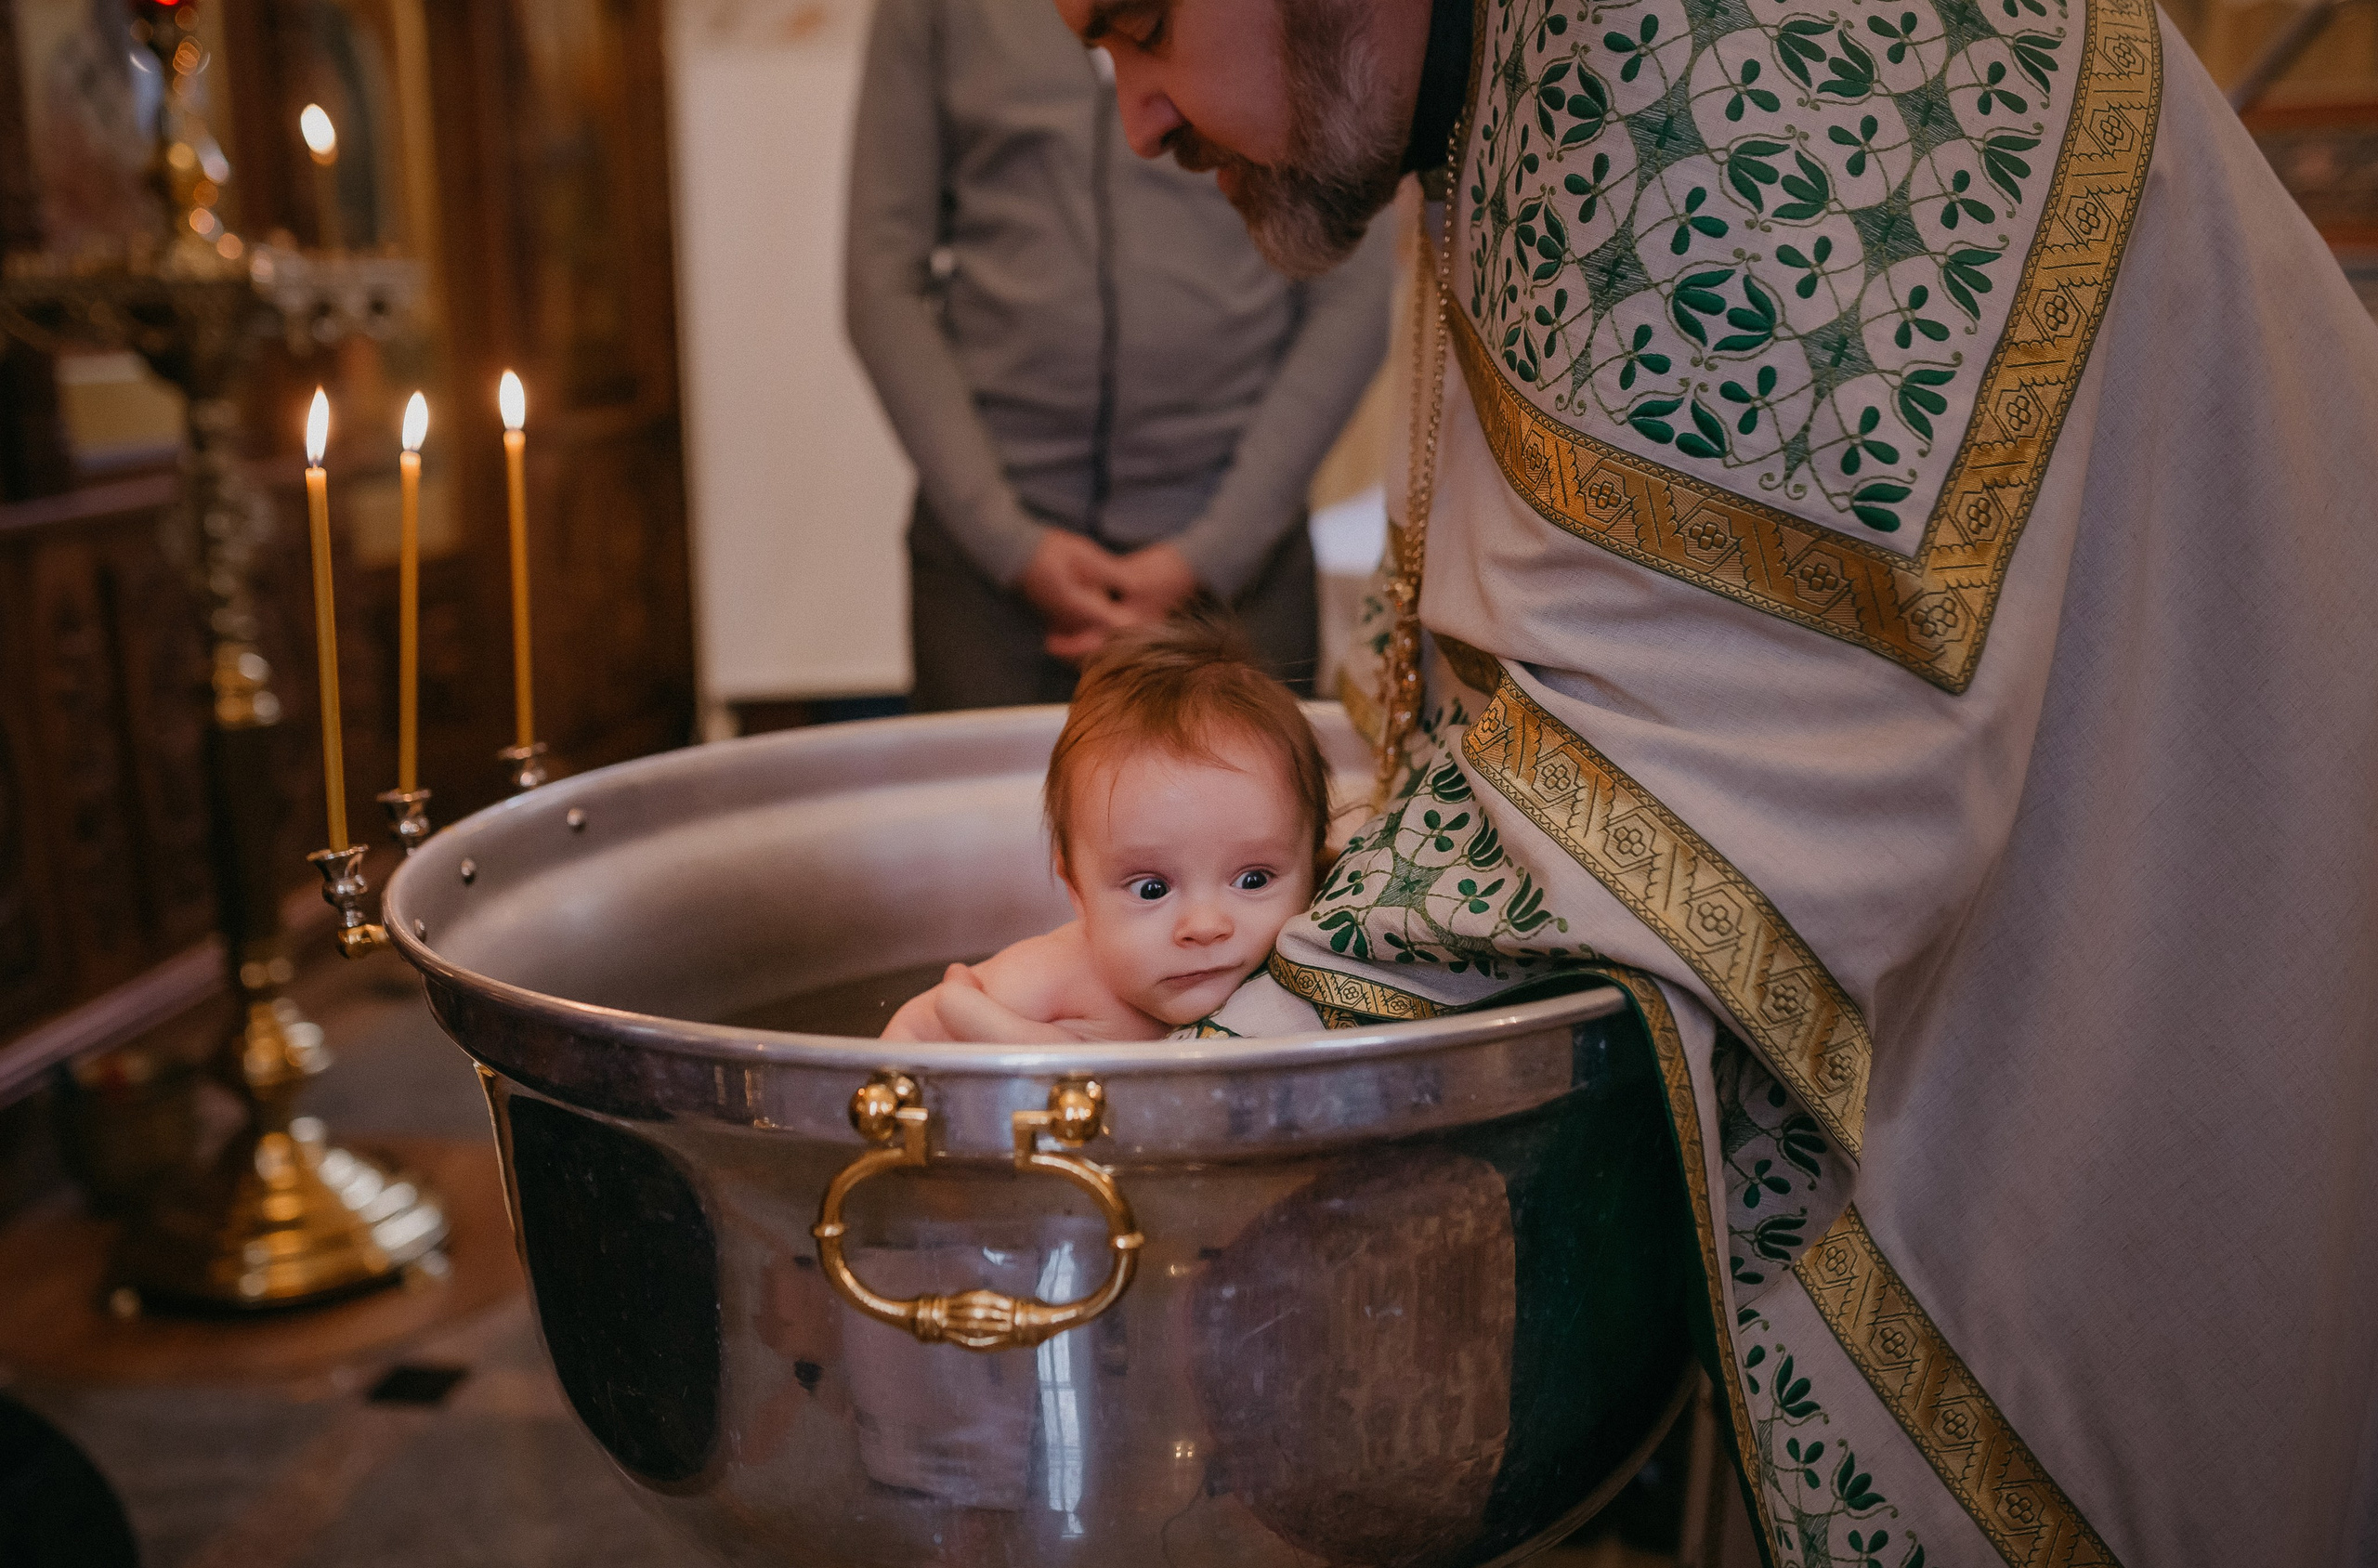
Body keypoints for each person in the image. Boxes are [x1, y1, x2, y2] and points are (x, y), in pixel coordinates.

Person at [1054, 0, 2378, 1563]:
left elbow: (1756, 735)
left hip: (2159, 935)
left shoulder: (1733, 50)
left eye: (1141, 24)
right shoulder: (1512, 66)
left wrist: (1162, 1046)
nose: (1136, 115)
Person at [843, 0, 1396, 707]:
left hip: (1240, 571)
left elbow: (1354, 291)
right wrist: (1009, 544)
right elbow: (881, 284)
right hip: (986, 583)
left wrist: (1213, 550)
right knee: (985, 819)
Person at [883, 615, 1327, 1041]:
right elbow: (917, 1028)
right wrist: (1017, 1039)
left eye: (1254, 879)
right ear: (1077, 891)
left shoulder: (1316, 972)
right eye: (1151, 889)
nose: (1205, 925)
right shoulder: (1058, 974)